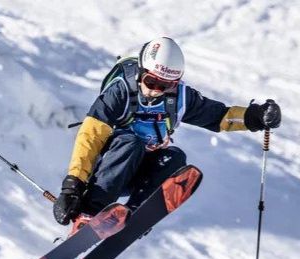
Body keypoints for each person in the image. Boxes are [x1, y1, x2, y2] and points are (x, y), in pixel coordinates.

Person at [53, 37, 282, 228]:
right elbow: (91, 136)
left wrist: (256, 116)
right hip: (107, 171)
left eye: (164, 86)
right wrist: (72, 186)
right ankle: (90, 213)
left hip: (139, 172)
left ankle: (132, 217)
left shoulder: (180, 98)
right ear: (141, 72)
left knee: (175, 158)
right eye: (151, 82)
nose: (156, 91)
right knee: (131, 142)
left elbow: (220, 117)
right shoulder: (120, 92)